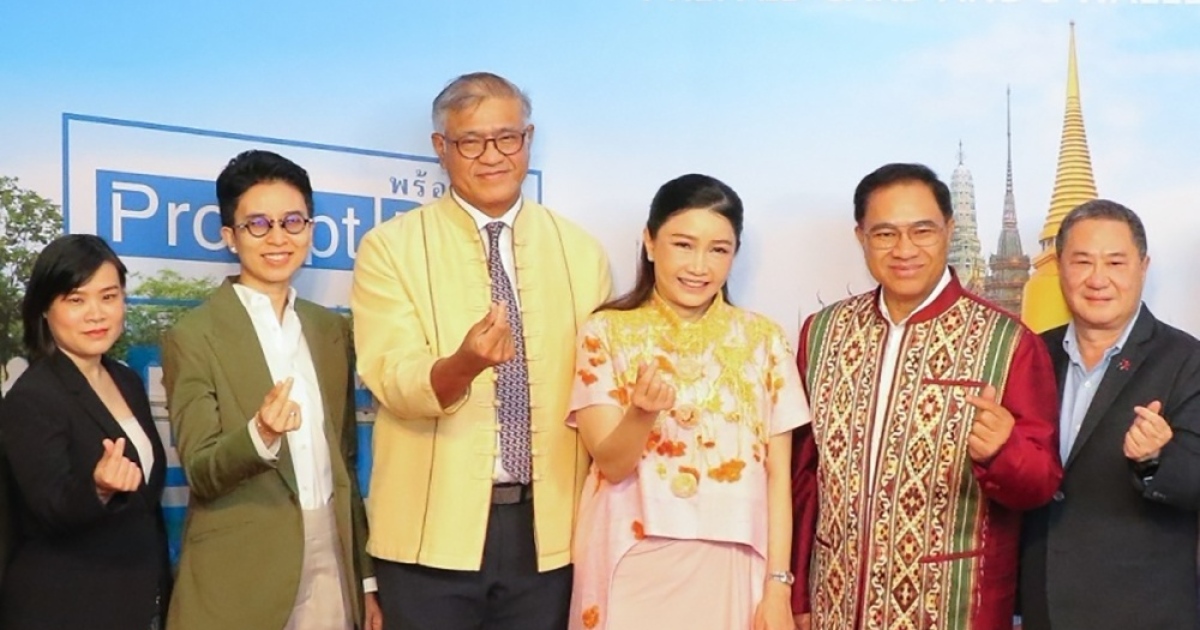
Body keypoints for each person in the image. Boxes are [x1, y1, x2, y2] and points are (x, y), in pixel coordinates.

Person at [351, 71, 611, 629]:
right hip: (427, 538)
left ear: (528, 139)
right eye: (471, 141)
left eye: (507, 138)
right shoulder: (390, 248)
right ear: (441, 147)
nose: (492, 156)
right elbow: (391, 377)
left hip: (550, 536)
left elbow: (599, 392)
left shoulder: (581, 253)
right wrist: (463, 365)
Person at [791, 163, 1062, 630]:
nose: (904, 250)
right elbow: (803, 478)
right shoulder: (823, 334)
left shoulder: (1007, 342)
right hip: (835, 602)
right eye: (885, 234)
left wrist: (1004, 451)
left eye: (922, 231)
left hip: (953, 606)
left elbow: (1041, 484)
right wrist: (797, 592)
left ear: (949, 230)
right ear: (861, 237)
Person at [567, 174, 806, 630]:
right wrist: (641, 413)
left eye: (719, 249)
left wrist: (778, 586)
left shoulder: (764, 339)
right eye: (683, 244)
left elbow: (780, 476)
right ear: (649, 242)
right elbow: (611, 464)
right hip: (631, 558)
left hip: (734, 558)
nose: (699, 266)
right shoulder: (605, 332)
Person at [162, 150, 378, 630]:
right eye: (257, 224)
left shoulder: (329, 330)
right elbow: (201, 470)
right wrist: (259, 433)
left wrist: (364, 579)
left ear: (310, 229)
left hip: (331, 561)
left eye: (292, 221)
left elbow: (345, 462)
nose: (278, 238)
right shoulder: (193, 335)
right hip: (241, 574)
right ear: (229, 236)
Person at [1018, 200, 1200, 630]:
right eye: (1082, 261)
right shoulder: (1031, 354)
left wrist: (1155, 459)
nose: (1098, 278)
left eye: (1115, 262)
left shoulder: (1186, 359)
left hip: (1142, 612)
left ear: (1143, 267)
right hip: (1043, 607)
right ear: (1059, 267)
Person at [0, 234, 170, 630]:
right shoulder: (32, 396)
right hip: (65, 607)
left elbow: (145, 504)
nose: (96, 314)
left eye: (108, 297)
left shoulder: (126, 380)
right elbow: (49, 507)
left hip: (135, 601)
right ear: (45, 309)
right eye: (76, 300)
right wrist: (98, 488)